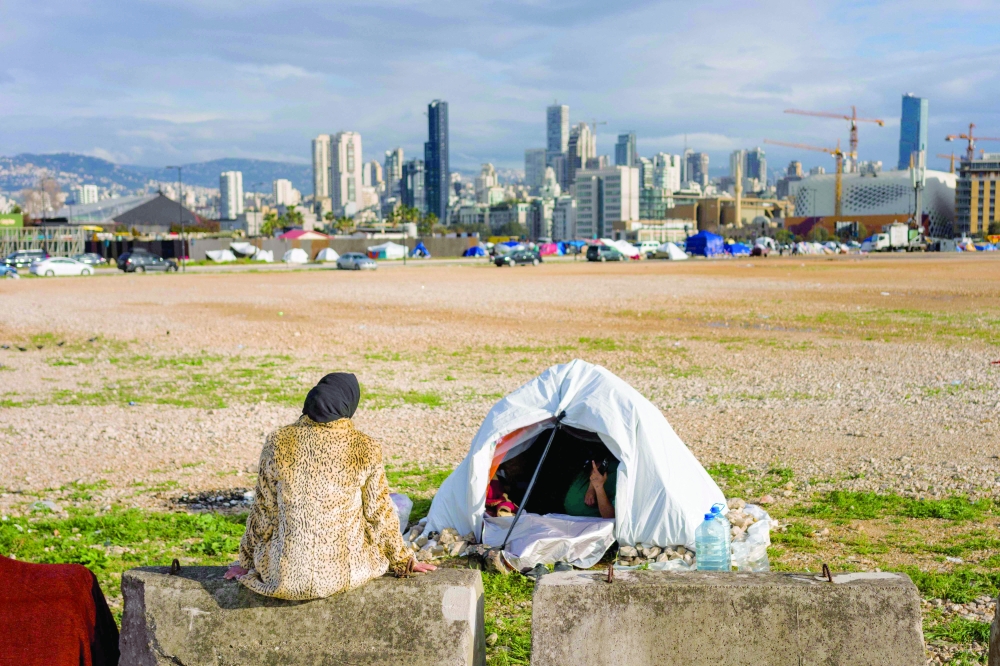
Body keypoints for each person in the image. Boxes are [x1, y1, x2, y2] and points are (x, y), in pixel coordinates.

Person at [225, 373, 435, 599]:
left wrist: (245, 562)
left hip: (283, 576)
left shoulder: (278, 442)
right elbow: (379, 513)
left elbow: (263, 509)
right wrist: (403, 560)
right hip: (346, 573)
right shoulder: (365, 447)